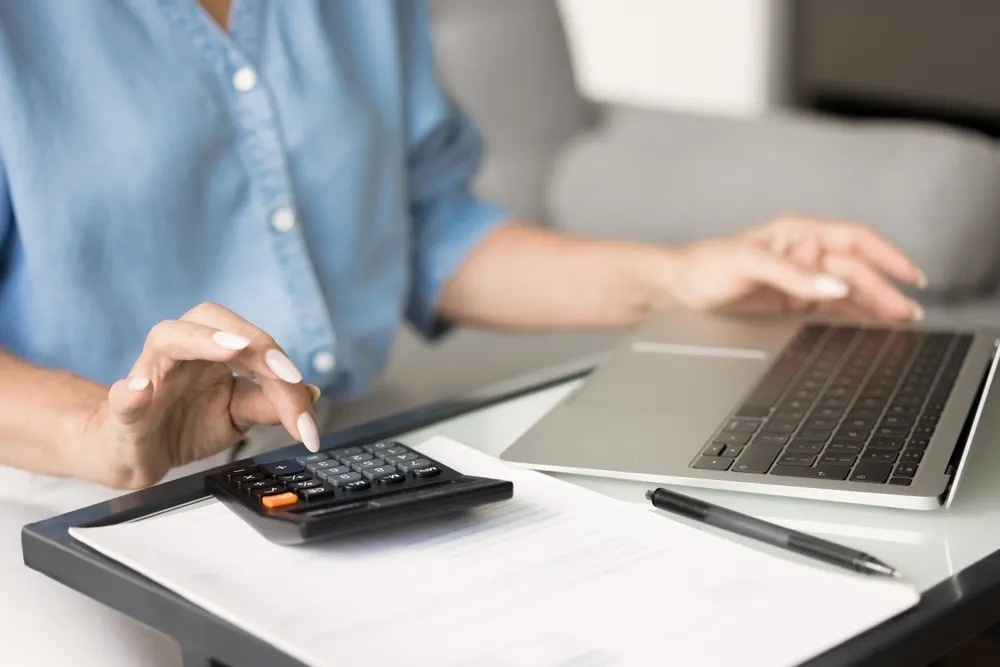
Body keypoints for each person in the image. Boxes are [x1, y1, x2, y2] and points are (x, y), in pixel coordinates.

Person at [0, 1, 926, 665]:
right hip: (46, 483)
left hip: (331, 453)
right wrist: (97, 430)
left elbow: (431, 230)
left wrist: (681, 275)